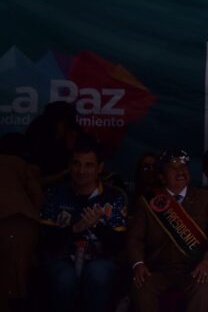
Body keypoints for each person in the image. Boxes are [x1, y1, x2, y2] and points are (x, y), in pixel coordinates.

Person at [128, 149, 208, 312]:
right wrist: (138, 264)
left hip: (196, 268)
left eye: (184, 167)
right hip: (160, 270)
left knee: (203, 286)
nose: (180, 172)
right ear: (161, 177)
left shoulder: (206, 198)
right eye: (173, 168)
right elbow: (134, 238)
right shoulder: (148, 202)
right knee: (141, 286)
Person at [40, 134, 127, 312]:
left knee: (98, 273)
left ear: (99, 168)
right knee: (64, 277)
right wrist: (75, 229)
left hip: (99, 261)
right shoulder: (55, 194)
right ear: (69, 166)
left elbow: (119, 247)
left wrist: (96, 226)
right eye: (76, 164)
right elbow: (45, 242)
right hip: (62, 259)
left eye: (89, 165)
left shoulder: (113, 197)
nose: (81, 171)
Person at [0, 133, 42, 312]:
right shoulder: (21, 165)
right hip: (20, 224)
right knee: (15, 282)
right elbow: (38, 196)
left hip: (12, 223)